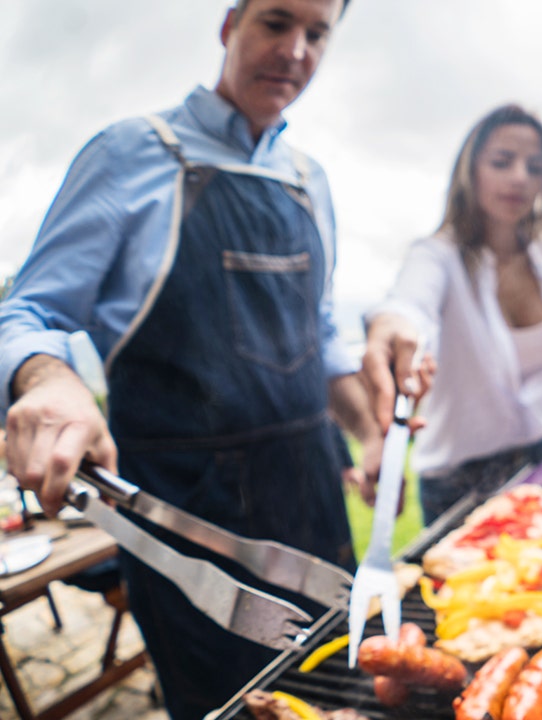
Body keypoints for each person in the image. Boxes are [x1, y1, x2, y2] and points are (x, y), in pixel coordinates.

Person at [0, 2, 401, 717]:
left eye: (318, 34)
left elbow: (322, 332)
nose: (296, 51)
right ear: (229, 24)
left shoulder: (309, 179)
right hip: (187, 513)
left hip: (311, 489)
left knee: (346, 689)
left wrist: (369, 432)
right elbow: (31, 312)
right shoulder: (130, 153)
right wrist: (49, 378)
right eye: (276, 22)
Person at [362, 103, 542, 526]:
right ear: (471, 171)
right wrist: (391, 329)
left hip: (540, 461)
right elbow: (407, 306)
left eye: (535, 166)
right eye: (502, 161)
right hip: (457, 484)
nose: (520, 177)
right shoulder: (436, 257)